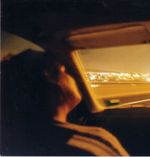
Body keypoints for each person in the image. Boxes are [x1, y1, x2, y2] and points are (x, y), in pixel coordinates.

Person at [1, 50, 129, 156]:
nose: (71, 78)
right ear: (51, 78)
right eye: (64, 71)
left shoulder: (14, 139)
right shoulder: (91, 142)